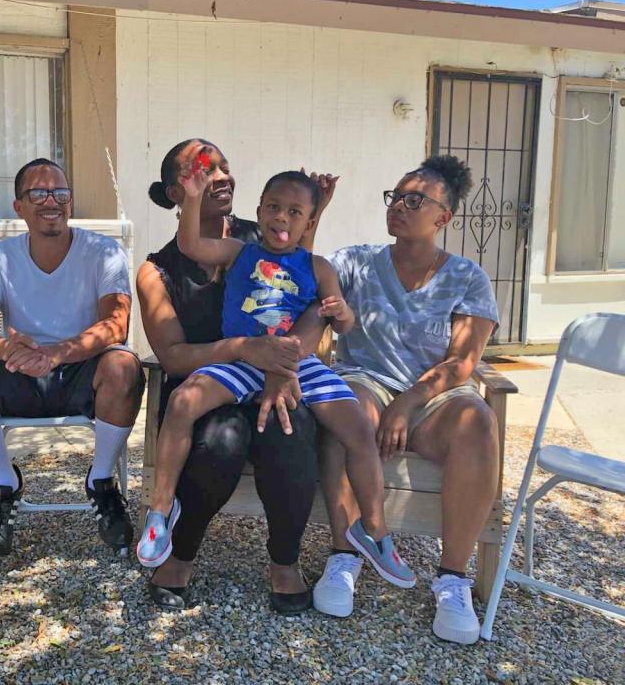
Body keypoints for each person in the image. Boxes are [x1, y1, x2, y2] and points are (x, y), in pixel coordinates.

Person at [137, 151, 416, 594]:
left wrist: (340, 311)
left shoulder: (317, 265)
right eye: (273, 208)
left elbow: (337, 319)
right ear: (260, 208)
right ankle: (160, 510)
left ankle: (375, 531)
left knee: (356, 427)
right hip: (243, 361)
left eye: (294, 212)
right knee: (183, 401)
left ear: (307, 221)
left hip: (297, 366)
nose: (281, 218)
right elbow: (191, 245)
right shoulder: (240, 253)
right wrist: (193, 199)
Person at [137, 138, 339, 614]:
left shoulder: (264, 236)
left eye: (223, 165)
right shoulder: (157, 271)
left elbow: (303, 293)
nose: (220, 175)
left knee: (292, 433)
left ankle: (284, 562)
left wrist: (282, 364)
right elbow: (173, 358)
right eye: (204, 170)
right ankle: (181, 554)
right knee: (220, 442)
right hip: (204, 388)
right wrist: (246, 349)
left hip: (273, 378)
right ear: (176, 192)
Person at [313, 155, 500, 645]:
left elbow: (463, 361)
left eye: (414, 200)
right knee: (345, 406)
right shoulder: (354, 262)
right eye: (395, 196)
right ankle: (345, 555)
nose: (399, 205)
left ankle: (453, 577)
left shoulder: (467, 278)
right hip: (367, 381)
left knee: (478, 420)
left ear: (443, 217)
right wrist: (313, 213)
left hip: (434, 395)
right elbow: (301, 275)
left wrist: (410, 401)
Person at [0, 158, 144, 560]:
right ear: (18, 206)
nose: (50, 200)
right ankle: (4, 485)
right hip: (20, 371)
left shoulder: (103, 251)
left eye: (60, 191)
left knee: (123, 365)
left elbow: (116, 324)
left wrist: (58, 353)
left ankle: (102, 482)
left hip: (79, 372)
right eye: (37, 192)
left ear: (71, 201)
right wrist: (8, 350)